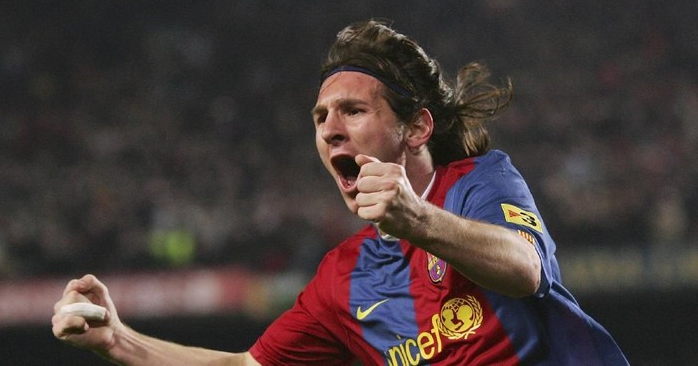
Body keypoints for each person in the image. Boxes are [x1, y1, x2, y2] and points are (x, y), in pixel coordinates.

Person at [52, 19, 628, 365]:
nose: (329, 128)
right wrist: (119, 342)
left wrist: (418, 221)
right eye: (321, 116)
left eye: (353, 110)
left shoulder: (478, 183)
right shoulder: (342, 279)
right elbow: (246, 363)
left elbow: (525, 268)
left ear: (418, 128)